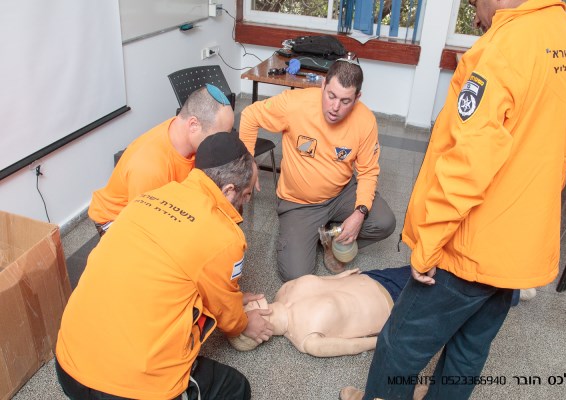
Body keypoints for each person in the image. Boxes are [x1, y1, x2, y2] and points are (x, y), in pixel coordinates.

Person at [340, 1, 566, 399]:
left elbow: (468, 164)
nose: (476, 16)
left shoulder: (503, 48)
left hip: (472, 245)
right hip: (520, 249)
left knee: (400, 345)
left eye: (474, 4)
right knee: (469, 350)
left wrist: (428, 244)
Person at [55, 133, 274, 400]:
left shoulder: (152, 196)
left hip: (67, 361)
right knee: (237, 388)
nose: (245, 203)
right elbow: (225, 310)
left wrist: (233, 296)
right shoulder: (224, 236)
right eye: (247, 194)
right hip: (120, 389)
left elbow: (178, 268)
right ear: (229, 190)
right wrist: (244, 324)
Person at [239, 58, 396, 281]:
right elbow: (249, 115)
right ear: (323, 85)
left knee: (384, 222)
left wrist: (360, 213)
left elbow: (369, 171)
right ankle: (314, 235)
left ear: (357, 98)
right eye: (331, 95)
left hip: (341, 193)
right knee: (296, 274)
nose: (335, 107)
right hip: (300, 203)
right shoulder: (295, 104)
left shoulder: (365, 120)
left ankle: (333, 238)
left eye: (345, 101)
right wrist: (248, 162)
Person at [88, 84, 235, 236]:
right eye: (218, 136)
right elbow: (144, 229)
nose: (221, 143)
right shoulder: (150, 167)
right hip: (118, 219)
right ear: (193, 125)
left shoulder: (181, 128)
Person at [229, 266, 412, 357]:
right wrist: (385, 340)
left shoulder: (283, 290)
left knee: (436, 260)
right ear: (257, 335)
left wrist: (339, 276)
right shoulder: (308, 341)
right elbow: (352, 346)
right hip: (396, 305)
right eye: (246, 313)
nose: (247, 305)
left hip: (377, 276)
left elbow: (320, 280)